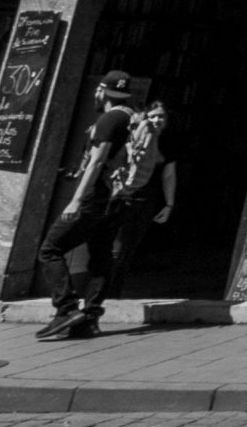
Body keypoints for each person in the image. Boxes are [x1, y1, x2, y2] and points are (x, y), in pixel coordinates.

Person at [34, 71, 155, 341]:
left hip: (97, 197)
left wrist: (76, 200)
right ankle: (89, 319)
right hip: (119, 198)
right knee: (101, 257)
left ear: (101, 91)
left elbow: (97, 161)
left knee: (50, 250)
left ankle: (66, 309)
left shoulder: (109, 119)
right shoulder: (133, 117)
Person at [99, 101, 177, 301]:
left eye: (161, 116)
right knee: (116, 248)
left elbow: (169, 175)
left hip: (147, 200)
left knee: (129, 249)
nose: (157, 120)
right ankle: (101, 295)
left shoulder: (167, 142)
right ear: (145, 118)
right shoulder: (134, 135)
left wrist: (169, 204)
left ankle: (114, 295)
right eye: (153, 116)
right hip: (125, 196)